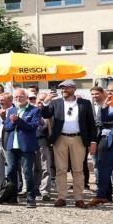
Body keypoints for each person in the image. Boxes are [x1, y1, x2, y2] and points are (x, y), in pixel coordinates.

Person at [40, 79, 96, 208]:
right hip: (60, 139)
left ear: (74, 89)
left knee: (78, 170)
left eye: (67, 88)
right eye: (62, 88)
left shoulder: (85, 103)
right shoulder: (56, 103)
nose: (64, 90)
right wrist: (46, 101)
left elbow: (91, 124)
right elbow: (46, 114)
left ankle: (79, 198)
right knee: (61, 170)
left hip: (78, 139)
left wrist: (93, 141)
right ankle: (61, 197)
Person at [1, 88, 42, 207]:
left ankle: (31, 198)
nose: (18, 99)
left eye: (21, 97)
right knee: (11, 172)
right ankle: (13, 197)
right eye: (16, 97)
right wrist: (12, 122)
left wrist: (18, 120)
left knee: (28, 172)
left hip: (26, 146)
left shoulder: (34, 110)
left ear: (26, 97)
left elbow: (33, 127)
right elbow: (7, 127)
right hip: (12, 145)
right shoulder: (12, 110)